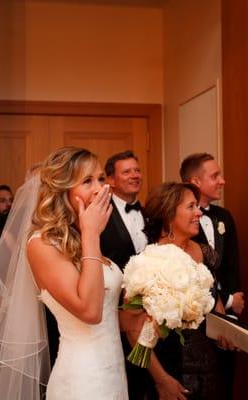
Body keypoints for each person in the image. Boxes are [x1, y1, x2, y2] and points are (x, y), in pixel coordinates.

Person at [0, 147, 127, 400]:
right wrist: (92, 234)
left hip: (114, 372)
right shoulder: (42, 244)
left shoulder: (84, 237)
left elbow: (108, 317)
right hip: (83, 379)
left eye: (101, 178)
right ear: (63, 191)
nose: (99, 189)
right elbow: (90, 311)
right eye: (87, 181)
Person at [141, 182, 236, 400]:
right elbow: (137, 334)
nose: (199, 212)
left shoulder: (205, 253)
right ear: (168, 214)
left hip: (212, 366)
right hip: (173, 371)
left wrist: (227, 332)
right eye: (191, 206)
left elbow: (215, 296)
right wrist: (161, 379)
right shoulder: (148, 264)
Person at [180, 153, 244, 399]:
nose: (222, 181)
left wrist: (234, 305)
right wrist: (226, 298)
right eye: (215, 175)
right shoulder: (180, 222)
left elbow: (232, 264)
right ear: (195, 182)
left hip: (225, 314)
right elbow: (195, 273)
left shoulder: (224, 217)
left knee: (225, 384)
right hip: (195, 320)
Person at [99, 150, 149, 399]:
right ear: (111, 180)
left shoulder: (150, 212)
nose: (135, 176)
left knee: (146, 381)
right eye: (127, 172)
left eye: (137, 170)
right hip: (114, 314)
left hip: (151, 315)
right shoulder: (100, 214)